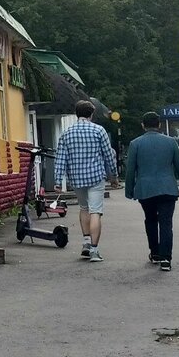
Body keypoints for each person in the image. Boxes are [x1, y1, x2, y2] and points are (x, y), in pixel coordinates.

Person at [54, 99, 119, 262]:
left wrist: (57, 180)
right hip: (96, 177)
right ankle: (95, 251)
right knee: (95, 211)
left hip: (76, 178)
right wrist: (114, 176)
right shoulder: (99, 131)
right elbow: (108, 154)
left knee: (83, 208)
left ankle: (86, 243)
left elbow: (61, 158)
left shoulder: (67, 133)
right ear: (91, 114)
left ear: (77, 114)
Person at [124, 111, 179, 272]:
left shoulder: (135, 144)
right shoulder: (171, 142)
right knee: (166, 223)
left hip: (145, 190)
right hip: (168, 189)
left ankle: (155, 253)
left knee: (151, 220)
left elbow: (130, 169)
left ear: (143, 125)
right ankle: (166, 259)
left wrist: (129, 189)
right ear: (159, 125)